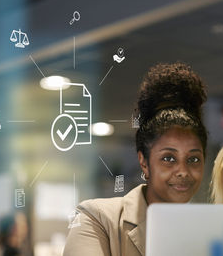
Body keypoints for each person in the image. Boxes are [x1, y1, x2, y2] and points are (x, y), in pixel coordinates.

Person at [63, 62, 208, 256]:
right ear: (144, 163)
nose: (183, 171)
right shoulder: (97, 218)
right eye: (168, 158)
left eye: (194, 160)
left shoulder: (210, 231)